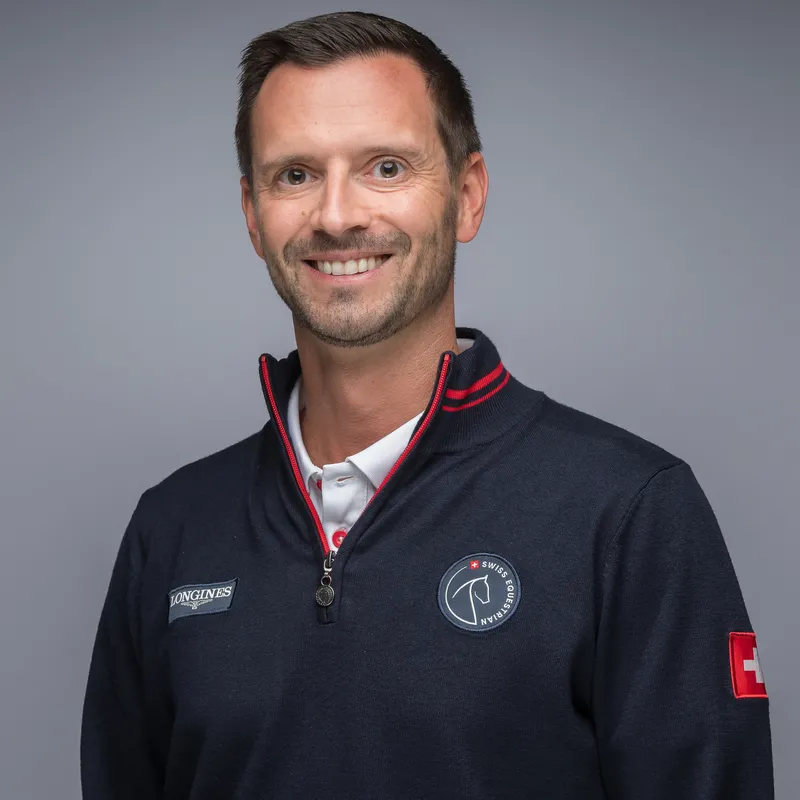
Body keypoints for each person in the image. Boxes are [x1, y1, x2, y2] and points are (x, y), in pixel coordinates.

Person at [80, 11, 774, 799]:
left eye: (385, 167)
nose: (336, 215)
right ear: (251, 213)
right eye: (295, 175)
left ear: (467, 196)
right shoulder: (172, 530)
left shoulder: (628, 514)